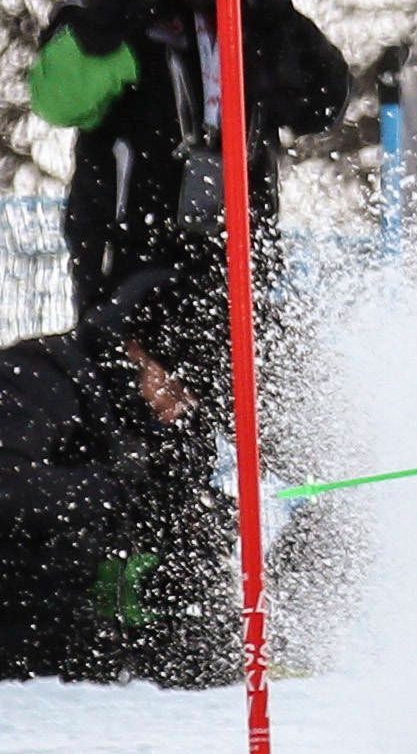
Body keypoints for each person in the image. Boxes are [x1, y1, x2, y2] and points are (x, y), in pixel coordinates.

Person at [26, 0, 350, 315]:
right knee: (136, 378)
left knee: (280, 370)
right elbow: (60, 98)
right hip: (128, 273)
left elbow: (322, 105)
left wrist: (268, 7)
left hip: (240, 275)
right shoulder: (109, 12)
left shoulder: (257, 20)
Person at [0, 266, 241, 688]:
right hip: (24, 650)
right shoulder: (38, 377)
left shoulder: (153, 421)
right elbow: (11, 487)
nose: (178, 407)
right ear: (134, 352)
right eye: (173, 387)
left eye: (191, 398)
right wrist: (114, 492)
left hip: (98, 659)